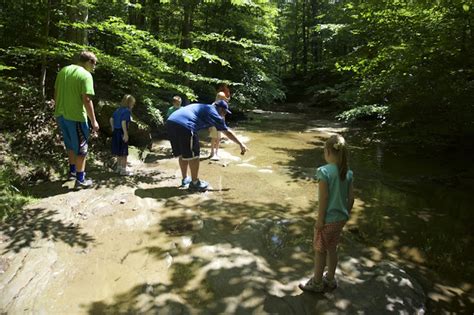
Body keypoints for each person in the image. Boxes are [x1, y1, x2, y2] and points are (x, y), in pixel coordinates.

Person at [299, 134, 354, 293]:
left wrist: (320, 219)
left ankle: (317, 283)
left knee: (320, 250)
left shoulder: (323, 171)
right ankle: (330, 279)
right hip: (340, 220)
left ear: (328, 152)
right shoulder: (348, 173)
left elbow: (324, 197)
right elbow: (351, 199)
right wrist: (345, 215)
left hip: (327, 219)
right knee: (332, 249)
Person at [166, 100, 248, 191]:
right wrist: (240, 144)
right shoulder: (213, 112)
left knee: (182, 153)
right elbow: (226, 132)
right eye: (224, 112)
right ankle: (195, 183)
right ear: (220, 109)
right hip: (186, 125)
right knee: (195, 155)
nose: (224, 115)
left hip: (171, 122)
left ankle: (185, 179)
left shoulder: (204, 107)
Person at [54, 51, 99, 187]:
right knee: (81, 148)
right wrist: (94, 121)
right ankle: (80, 179)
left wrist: (57, 110)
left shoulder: (63, 71)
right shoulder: (86, 75)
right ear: (89, 62)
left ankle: (72, 172)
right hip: (77, 116)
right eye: (94, 64)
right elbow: (86, 99)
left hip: (61, 115)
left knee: (70, 145)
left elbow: (55, 93)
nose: (94, 67)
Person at [110, 94, 136, 176]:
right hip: (121, 132)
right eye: (133, 104)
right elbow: (123, 122)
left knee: (118, 152)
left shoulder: (118, 110)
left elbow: (111, 119)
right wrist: (125, 134)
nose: (133, 105)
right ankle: (123, 170)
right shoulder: (126, 111)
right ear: (129, 103)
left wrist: (113, 128)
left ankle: (118, 168)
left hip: (116, 132)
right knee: (124, 153)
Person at [209, 91, 229, 160]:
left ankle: (216, 152)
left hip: (220, 123)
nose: (223, 99)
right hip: (214, 123)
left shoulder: (224, 104)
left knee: (218, 138)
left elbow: (224, 115)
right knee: (213, 138)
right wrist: (210, 125)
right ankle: (212, 152)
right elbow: (210, 116)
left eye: (223, 98)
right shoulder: (213, 104)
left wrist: (224, 124)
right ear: (218, 97)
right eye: (221, 97)